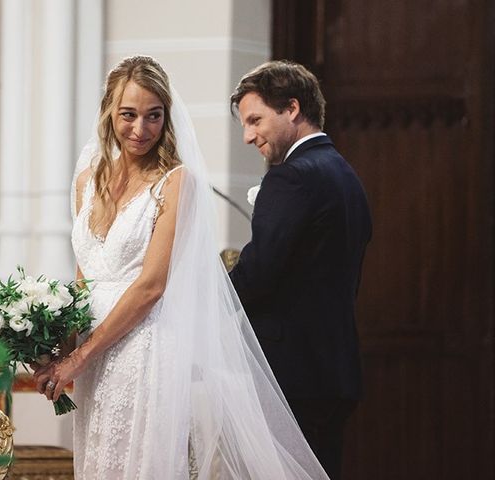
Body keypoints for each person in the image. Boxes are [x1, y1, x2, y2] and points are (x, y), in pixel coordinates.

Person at [33, 55, 330, 479]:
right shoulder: (86, 181)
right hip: (92, 353)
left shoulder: (175, 182)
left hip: (143, 347)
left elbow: (151, 286)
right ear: (108, 113)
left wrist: (80, 356)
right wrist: (59, 348)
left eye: (154, 116)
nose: (141, 129)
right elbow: (84, 277)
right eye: (129, 115)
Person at [228, 60, 372, 480]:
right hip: (332, 370)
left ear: (292, 108)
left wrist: (203, 296)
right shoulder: (345, 174)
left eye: (255, 120)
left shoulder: (291, 177)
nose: (248, 135)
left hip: (290, 375)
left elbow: (257, 274)